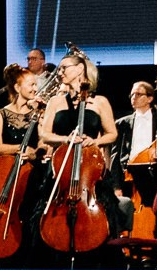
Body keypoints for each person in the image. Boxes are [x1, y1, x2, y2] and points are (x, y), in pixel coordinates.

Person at [35, 49, 122, 253]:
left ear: (80, 69)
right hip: (61, 169)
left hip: (90, 172)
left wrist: (95, 141)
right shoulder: (55, 102)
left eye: (64, 68)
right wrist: (65, 139)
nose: (60, 73)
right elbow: (45, 135)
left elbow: (112, 134)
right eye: (59, 69)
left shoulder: (100, 102)